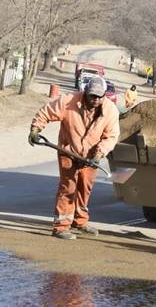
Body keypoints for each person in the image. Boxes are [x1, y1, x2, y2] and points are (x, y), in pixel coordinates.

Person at [28, 76, 120, 240]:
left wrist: (99, 155)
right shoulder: (69, 101)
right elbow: (46, 111)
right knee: (68, 187)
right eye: (92, 95)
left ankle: (80, 222)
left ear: (104, 95)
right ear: (85, 92)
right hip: (68, 150)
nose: (95, 99)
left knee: (85, 188)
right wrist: (35, 129)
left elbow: (111, 137)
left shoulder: (110, 111)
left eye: (99, 96)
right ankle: (61, 226)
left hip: (92, 156)